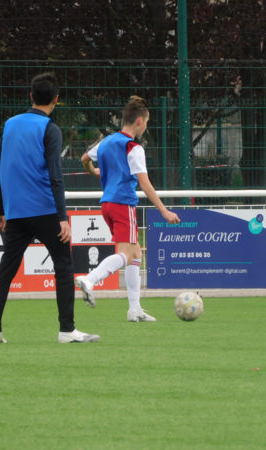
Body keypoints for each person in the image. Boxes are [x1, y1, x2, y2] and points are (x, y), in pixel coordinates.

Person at [0, 72, 99, 344]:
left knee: (7, 269)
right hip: (45, 210)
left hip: (16, 213)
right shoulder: (50, 129)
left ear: (31, 96)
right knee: (63, 265)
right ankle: (67, 330)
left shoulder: (10, 124)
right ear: (56, 100)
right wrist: (62, 217)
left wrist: (1, 210)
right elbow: (55, 175)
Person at [75, 95, 180, 321]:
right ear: (140, 121)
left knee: (135, 254)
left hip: (107, 204)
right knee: (127, 254)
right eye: (147, 123)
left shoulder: (107, 141)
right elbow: (144, 183)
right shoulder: (133, 147)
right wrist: (164, 211)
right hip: (123, 204)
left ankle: (135, 310)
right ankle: (89, 279)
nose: (146, 127)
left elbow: (84, 158)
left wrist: (94, 171)